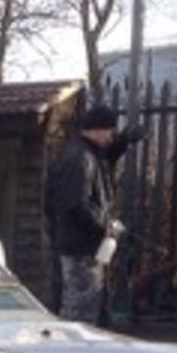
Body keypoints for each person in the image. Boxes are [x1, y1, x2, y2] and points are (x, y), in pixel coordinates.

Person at [47, 102, 142, 323]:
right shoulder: (80, 159)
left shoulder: (86, 152)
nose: (111, 135)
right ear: (98, 130)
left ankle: (82, 350)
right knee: (80, 314)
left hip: (87, 245)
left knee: (89, 308)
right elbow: (77, 205)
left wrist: (125, 141)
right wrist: (107, 226)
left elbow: (106, 156)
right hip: (81, 248)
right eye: (110, 130)